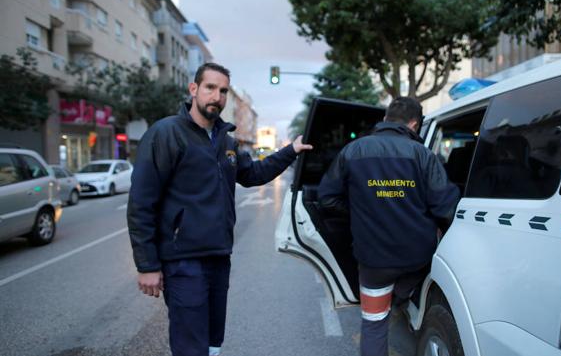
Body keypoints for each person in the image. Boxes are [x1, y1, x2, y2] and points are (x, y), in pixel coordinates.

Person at [127, 62, 312, 356]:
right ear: (194, 89)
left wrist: (291, 151)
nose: (217, 96)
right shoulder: (166, 133)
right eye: (210, 88)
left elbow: (253, 174)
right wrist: (147, 264)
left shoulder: (226, 140)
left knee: (213, 342)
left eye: (223, 91)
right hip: (182, 260)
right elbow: (141, 202)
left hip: (218, 256)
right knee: (191, 347)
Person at [317, 96, 459, 356]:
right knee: (410, 290)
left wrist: (362, 210)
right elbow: (446, 208)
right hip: (416, 258)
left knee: (373, 323)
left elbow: (326, 198)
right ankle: (403, 299)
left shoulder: (353, 151)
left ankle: (394, 301)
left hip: (373, 259)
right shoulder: (423, 155)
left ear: (385, 119)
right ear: (414, 124)